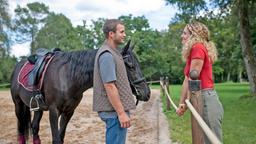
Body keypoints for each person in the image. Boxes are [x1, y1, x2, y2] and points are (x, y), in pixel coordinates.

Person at [176, 21, 224, 143]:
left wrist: (187, 103)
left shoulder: (197, 48)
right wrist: (182, 103)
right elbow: (187, 79)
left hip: (206, 99)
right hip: (200, 96)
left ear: (193, 35)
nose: (182, 36)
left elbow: (193, 79)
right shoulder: (193, 51)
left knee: (211, 140)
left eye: (185, 33)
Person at [93, 19, 136, 144]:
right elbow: (109, 86)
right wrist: (121, 113)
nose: (124, 34)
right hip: (114, 114)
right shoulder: (107, 55)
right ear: (111, 34)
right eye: (121, 32)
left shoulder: (113, 52)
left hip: (115, 113)